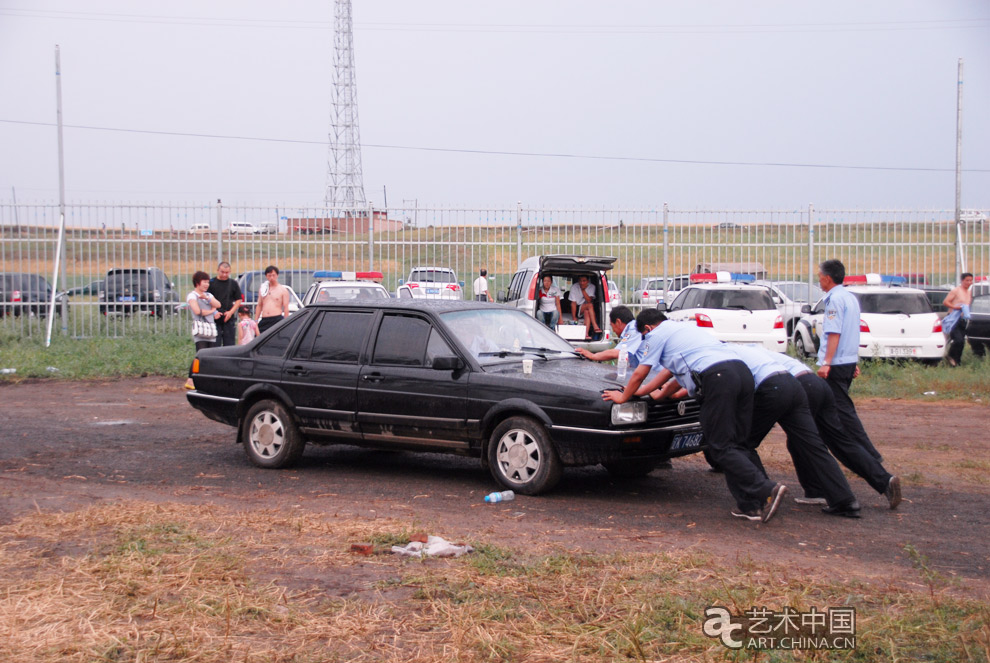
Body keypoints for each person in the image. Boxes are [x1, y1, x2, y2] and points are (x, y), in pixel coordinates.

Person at [603, 309, 787, 523]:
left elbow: (641, 372)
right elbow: (671, 374)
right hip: (742, 375)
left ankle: (766, 488)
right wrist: (650, 393)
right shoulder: (685, 331)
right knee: (738, 443)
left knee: (720, 445)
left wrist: (623, 396)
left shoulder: (655, 334)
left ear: (647, 328)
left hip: (718, 380)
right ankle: (751, 506)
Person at [727, 344, 861, 518]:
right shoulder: (747, 349)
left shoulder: (723, 355)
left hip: (773, 387)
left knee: (741, 443)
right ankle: (845, 501)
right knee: (813, 444)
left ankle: (761, 498)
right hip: (794, 384)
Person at [773, 351, 902, 510]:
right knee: (841, 441)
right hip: (819, 384)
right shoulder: (762, 353)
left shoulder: (744, 359)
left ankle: (817, 491)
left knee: (801, 442)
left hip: (803, 387)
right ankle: (884, 480)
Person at [815, 259, 884, 462]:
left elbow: (834, 332)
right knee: (829, 408)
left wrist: (827, 362)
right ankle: (830, 448)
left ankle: (869, 454)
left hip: (836, 363)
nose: (819, 281)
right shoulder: (850, 297)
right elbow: (852, 331)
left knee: (842, 411)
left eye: (820, 277)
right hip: (846, 361)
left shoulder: (834, 300)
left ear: (827, 278)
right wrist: (852, 361)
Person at [184, 271, 221, 389]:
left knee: (211, 356)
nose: (206, 284)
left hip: (210, 329)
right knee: (200, 355)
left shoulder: (208, 295)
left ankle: (207, 380)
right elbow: (197, 311)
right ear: (197, 283)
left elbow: (218, 304)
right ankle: (190, 379)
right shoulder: (192, 296)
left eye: (207, 282)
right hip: (200, 329)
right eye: (204, 282)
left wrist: (207, 299)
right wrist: (212, 311)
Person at [207, 261, 243, 347]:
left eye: (227, 272)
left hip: (228, 317)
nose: (224, 275)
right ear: (217, 270)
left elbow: (238, 299)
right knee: (214, 345)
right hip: (214, 318)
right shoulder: (211, 283)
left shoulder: (233, 283)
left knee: (229, 345)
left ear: (230, 272)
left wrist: (231, 312)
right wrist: (214, 312)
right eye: (222, 272)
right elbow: (207, 299)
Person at [942, 272, 974, 366]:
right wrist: (956, 307)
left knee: (961, 342)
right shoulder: (956, 291)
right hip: (954, 318)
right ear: (962, 281)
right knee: (958, 340)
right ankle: (951, 358)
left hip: (963, 319)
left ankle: (957, 361)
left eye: (971, 280)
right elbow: (945, 302)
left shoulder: (969, 292)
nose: (969, 282)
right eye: (967, 280)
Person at [255, 265, 289, 333]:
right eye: (269, 275)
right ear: (266, 276)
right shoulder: (263, 289)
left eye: (273, 275)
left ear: (277, 275)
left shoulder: (283, 290)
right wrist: (256, 320)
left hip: (277, 319)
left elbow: (286, 308)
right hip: (264, 319)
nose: (271, 277)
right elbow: (259, 305)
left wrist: (286, 322)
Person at [569, 275, 602, 341]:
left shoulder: (592, 287)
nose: (582, 283)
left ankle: (586, 334)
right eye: (580, 281)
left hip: (586, 307)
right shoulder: (574, 287)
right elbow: (573, 303)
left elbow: (589, 300)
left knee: (587, 311)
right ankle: (595, 325)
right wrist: (574, 317)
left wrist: (583, 290)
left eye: (584, 281)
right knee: (590, 305)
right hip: (578, 307)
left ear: (588, 281)